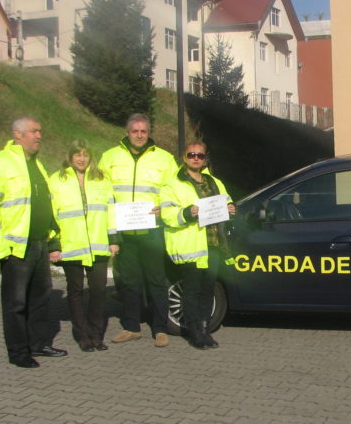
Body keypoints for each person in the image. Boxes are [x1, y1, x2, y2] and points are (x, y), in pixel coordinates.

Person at [0, 116, 67, 368]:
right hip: (15, 248)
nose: (39, 135)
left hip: (38, 243)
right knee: (16, 303)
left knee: (40, 298)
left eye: (40, 131)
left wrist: (52, 239)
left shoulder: (36, 165)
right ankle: (18, 352)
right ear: (18, 134)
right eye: (34, 131)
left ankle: (39, 344)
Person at [100, 114, 178, 347]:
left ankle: (160, 328)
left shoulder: (164, 159)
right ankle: (131, 327)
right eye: (135, 131)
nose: (140, 135)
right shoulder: (110, 157)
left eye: (144, 131)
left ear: (149, 132)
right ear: (127, 132)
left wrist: (163, 208)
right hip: (124, 232)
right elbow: (103, 192)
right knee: (129, 282)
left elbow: (174, 190)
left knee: (156, 280)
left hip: (152, 230)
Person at [161, 142, 236, 349]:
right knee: (192, 291)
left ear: (205, 159)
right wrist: (186, 213)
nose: (196, 158)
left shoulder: (214, 182)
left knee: (207, 289)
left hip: (213, 245)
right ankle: (194, 332)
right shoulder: (172, 184)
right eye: (192, 155)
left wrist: (231, 208)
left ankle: (205, 331)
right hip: (190, 245)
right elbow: (167, 214)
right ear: (184, 157)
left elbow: (227, 201)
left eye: (200, 156)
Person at [47, 139, 118, 352]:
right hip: (72, 244)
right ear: (69, 156)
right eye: (77, 154)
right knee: (75, 291)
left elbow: (111, 211)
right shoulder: (56, 180)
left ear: (90, 157)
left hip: (98, 245)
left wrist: (114, 240)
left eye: (85, 154)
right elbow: (51, 214)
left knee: (98, 291)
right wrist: (54, 245)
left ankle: (97, 335)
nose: (81, 158)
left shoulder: (102, 179)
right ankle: (82, 335)